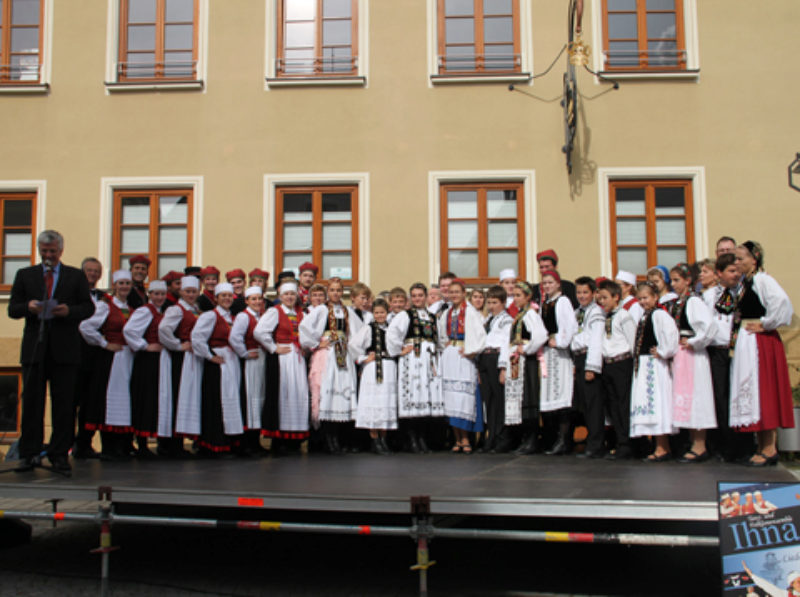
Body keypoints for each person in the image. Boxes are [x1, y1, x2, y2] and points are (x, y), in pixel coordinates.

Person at [9, 230, 93, 474]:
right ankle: (29, 453)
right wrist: (29, 307)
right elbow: (13, 308)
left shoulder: (75, 276)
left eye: (52, 252)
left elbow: (87, 308)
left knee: (64, 404)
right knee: (32, 403)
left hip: (65, 350)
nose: (48, 256)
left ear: (61, 251)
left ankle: (59, 454)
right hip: (35, 347)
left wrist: (69, 311)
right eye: (44, 251)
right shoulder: (25, 275)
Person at [730, 241, 794, 467]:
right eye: (735, 259)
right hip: (748, 341)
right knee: (754, 392)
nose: (736, 263)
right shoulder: (745, 284)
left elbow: (782, 304)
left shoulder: (762, 280)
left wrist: (765, 324)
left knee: (763, 390)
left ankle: (769, 448)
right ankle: (761, 445)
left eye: (740, 258)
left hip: (760, 342)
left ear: (754, 259)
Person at [79, 270, 136, 461]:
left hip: (128, 357)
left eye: (127, 283)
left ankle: (122, 445)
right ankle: (109, 447)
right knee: (110, 401)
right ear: (114, 285)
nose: (124, 287)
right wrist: (104, 343)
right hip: (112, 359)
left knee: (125, 401)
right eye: (121, 283)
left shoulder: (130, 307)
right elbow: (85, 327)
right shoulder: (105, 307)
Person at [300, 277, 358, 454]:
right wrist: (317, 343)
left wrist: (354, 350)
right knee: (326, 393)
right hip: (327, 356)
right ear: (328, 292)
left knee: (342, 394)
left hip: (343, 355)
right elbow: (304, 328)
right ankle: (327, 439)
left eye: (339, 290)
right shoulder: (321, 310)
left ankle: (338, 439)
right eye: (332, 290)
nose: (336, 293)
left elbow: (359, 332)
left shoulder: (347, 311)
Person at [668, 263, 718, 462]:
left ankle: (700, 444)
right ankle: (690, 442)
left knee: (697, 396)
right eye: (671, 280)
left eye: (677, 280)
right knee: (684, 397)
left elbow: (709, 327)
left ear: (688, 281)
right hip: (681, 355)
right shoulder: (679, 302)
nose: (673, 284)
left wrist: (693, 341)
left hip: (693, 356)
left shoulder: (694, 302)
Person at [386, 282, 443, 454]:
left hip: (429, 360)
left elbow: (440, 339)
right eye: (415, 296)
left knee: (426, 397)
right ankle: (411, 439)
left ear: (426, 297)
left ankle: (422, 439)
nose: (418, 298)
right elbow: (392, 334)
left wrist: (437, 354)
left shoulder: (433, 317)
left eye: (421, 295)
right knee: (413, 395)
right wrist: (399, 350)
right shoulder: (405, 315)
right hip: (412, 360)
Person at [255, 280, 310, 453]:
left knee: (298, 394)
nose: (289, 297)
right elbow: (259, 332)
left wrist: (308, 347)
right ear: (280, 296)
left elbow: (310, 333)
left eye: (292, 294)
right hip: (283, 358)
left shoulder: (301, 313)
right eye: (286, 294)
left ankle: (295, 438)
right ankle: (279, 440)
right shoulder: (275, 312)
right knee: (283, 395)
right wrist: (273, 347)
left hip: (298, 358)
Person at [706, 253, 751, 462]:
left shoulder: (744, 292)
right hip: (718, 351)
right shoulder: (709, 296)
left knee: (740, 395)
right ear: (719, 273)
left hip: (739, 350)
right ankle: (723, 445)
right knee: (720, 397)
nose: (736, 275)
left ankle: (743, 445)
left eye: (738, 271)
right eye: (731, 271)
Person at [191, 282, 243, 455]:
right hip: (217, 365)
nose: (227, 299)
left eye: (229, 296)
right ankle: (213, 442)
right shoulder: (210, 316)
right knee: (216, 402)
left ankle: (228, 440)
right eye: (223, 296)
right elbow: (197, 338)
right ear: (216, 299)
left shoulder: (233, 317)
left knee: (230, 401)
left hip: (231, 362)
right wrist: (209, 356)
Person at [629, 281, 679, 462]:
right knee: (649, 404)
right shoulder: (645, 316)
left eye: (646, 298)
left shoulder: (659, 315)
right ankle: (656, 445)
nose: (643, 301)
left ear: (655, 297)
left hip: (654, 365)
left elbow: (671, 335)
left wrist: (663, 351)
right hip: (643, 365)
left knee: (657, 403)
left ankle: (662, 446)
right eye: (640, 298)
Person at [498, 281, 547, 455]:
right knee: (519, 399)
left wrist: (526, 349)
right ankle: (524, 438)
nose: (516, 298)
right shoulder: (519, 315)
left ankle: (532, 439)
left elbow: (541, 336)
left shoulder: (531, 315)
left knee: (528, 398)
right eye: (515, 295)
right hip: (516, 362)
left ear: (528, 297)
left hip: (527, 362)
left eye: (519, 295)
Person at [438, 278, 486, 453]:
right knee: (451, 397)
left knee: (463, 397)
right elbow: (442, 335)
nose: (454, 295)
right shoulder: (447, 312)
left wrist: (472, 350)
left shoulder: (471, 312)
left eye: (457, 292)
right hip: (451, 355)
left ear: (464, 293)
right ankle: (457, 438)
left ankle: (466, 437)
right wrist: (446, 346)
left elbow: (481, 336)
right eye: (451, 292)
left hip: (464, 356)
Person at [157, 275, 201, 458]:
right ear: (181, 292)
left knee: (186, 398)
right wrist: (177, 344)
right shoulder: (176, 310)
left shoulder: (195, 309)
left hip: (191, 358)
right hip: (179, 359)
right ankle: (171, 444)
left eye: (194, 291)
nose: (191, 295)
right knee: (177, 397)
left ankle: (178, 442)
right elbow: (163, 329)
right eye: (188, 291)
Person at [123, 280, 168, 458]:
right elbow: (129, 331)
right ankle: (141, 443)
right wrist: (145, 346)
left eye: (162, 294)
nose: (159, 297)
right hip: (146, 361)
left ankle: (148, 441)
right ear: (150, 295)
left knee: (153, 399)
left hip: (157, 360)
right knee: (145, 399)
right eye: (156, 294)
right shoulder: (145, 311)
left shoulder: (159, 312)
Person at [349, 298, 398, 455]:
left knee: (385, 402)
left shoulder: (392, 329)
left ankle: (383, 439)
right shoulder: (368, 329)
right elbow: (353, 345)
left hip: (389, 367)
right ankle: (374, 440)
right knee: (373, 401)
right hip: (373, 369)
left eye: (382, 312)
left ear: (387, 312)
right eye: (376, 313)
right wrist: (363, 358)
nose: (379, 315)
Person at [596, 279, 637, 460]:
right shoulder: (603, 317)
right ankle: (620, 441)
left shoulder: (623, 316)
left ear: (616, 297)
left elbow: (633, 341)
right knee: (612, 405)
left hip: (622, 362)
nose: (602, 301)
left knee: (623, 404)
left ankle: (628, 443)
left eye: (605, 298)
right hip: (608, 363)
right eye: (600, 298)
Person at [538, 270, 578, 455]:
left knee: (561, 395)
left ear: (558, 284)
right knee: (550, 396)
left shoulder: (563, 301)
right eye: (544, 283)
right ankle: (553, 439)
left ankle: (564, 440)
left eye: (550, 283)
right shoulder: (544, 303)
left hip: (559, 353)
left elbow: (569, 326)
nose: (547, 286)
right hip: (547, 352)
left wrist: (560, 342)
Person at [229, 286, 267, 456]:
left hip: (261, 359)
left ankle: (255, 440)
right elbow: (234, 337)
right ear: (246, 301)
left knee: (259, 399)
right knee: (251, 398)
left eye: (259, 299)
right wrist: (244, 353)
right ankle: (247, 442)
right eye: (253, 299)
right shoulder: (244, 317)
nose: (257, 302)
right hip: (251, 361)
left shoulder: (260, 316)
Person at [73, 257, 104, 459]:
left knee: (90, 402)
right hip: (75, 352)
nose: (92, 274)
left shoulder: (103, 297)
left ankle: (85, 442)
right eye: (89, 270)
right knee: (71, 402)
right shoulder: (72, 294)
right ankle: (66, 444)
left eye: (96, 271)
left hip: (95, 356)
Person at [570, 277, 605, 459]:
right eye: (579, 292)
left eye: (585, 292)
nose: (581, 296)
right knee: (583, 404)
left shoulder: (596, 312)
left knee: (593, 405)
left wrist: (592, 367)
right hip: (578, 357)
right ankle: (590, 441)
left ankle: (596, 444)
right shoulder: (577, 312)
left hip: (589, 358)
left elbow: (596, 340)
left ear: (593, 293)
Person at [477, 285, 513, 453]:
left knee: (499, 401)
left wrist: (503, 367)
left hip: (496, 358)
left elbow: (506, 343)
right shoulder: (487, 320)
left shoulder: (507, 320)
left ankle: (502, 437)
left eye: (495, 302)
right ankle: (490, 437)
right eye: (489, 302)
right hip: (485, 358)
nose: (491, 306)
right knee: (488, 401)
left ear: (503, 303)